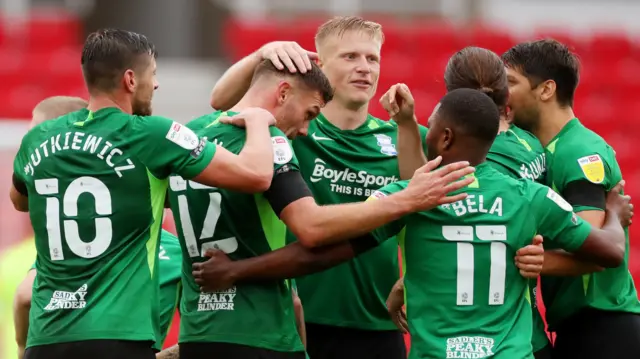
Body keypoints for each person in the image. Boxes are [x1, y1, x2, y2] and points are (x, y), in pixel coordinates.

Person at [193, 88, 631, 358]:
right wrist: (614, 214)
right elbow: (609, 252)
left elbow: (319, 253)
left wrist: (237, 271)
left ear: (442, 137)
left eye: (430, 127)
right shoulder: (529, 197)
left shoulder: (411, 196)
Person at [171, 59, 474, 359]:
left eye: (373, 57)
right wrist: (406, 199)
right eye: (309, 114)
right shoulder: (269, 140)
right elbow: (311, 228)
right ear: (284, 92)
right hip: (259, 330)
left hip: (198, 332)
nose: (304, 130)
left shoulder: (191, 134)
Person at [10, 28, 277, 359]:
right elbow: (256, 175)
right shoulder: (151, 134)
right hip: (117, 336)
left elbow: (21, 200)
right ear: (130, 80)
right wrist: (259, 122)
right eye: (153, 75)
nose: (157, 84)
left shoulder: (39, 137)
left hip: (46, 338)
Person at [208, 16, 429, 359]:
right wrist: (260, 55)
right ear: (320, 65)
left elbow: (417, 204)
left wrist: (407, 126)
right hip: (300, 319)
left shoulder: (400, 135)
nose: (364, 68)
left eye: (372, 59)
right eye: (350, 57)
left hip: (378, 322)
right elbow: (220, 102)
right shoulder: (294, 130)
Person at [503, 39, 640, 359]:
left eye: (510, 83)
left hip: (604, 329)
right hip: (577, 328)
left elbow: (594, 249)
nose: (502, 93)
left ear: (546, 90)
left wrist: (531, 263)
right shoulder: (542, 152)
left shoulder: (579, 152)